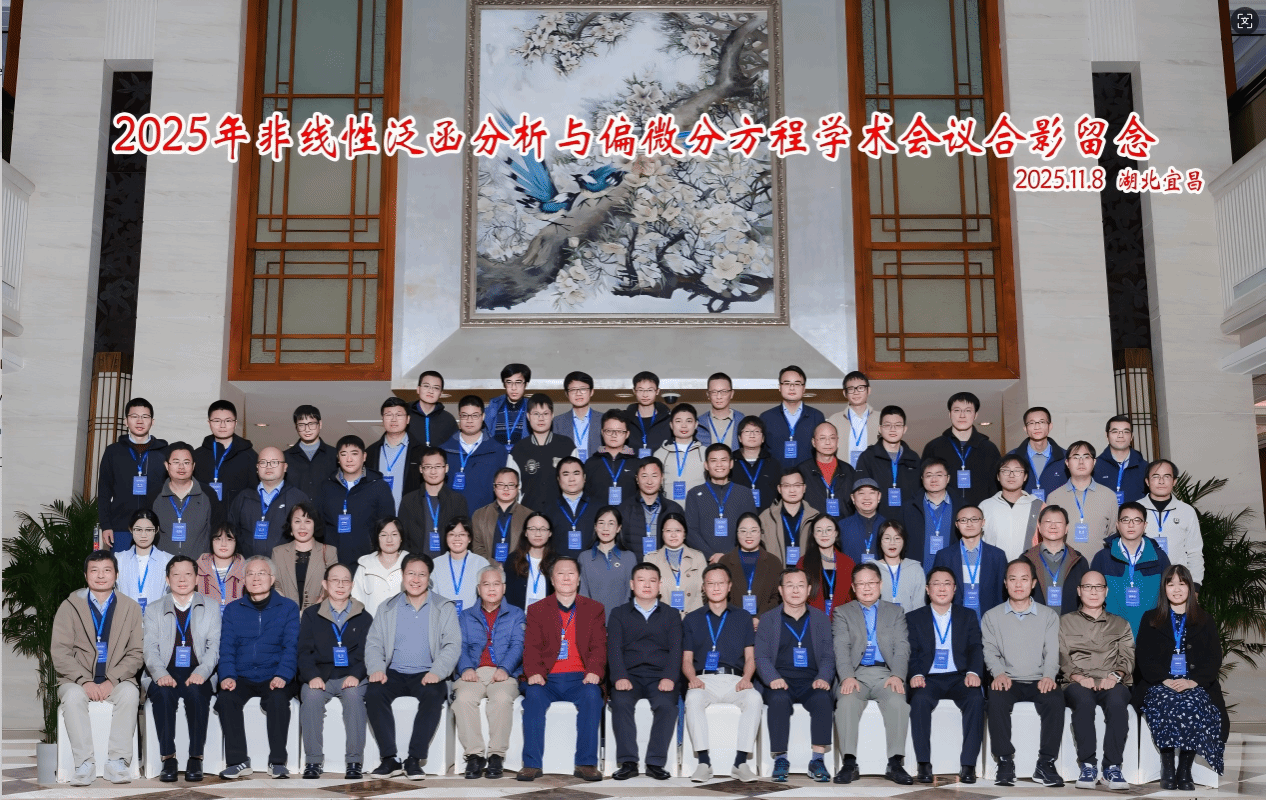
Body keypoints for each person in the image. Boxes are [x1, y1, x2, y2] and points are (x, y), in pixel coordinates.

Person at [364, 553, 462, 780]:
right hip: (394, 672)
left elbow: (452, 644)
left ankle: (414, 760)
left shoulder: (443, 607)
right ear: (402, 575)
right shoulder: (387, 607)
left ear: (429, 578)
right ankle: (389, 759)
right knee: (374, 692)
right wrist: (377, 668)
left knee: (434, 695)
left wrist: (437, 672)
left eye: (422, 574)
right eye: (411, 573)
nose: (416, 579)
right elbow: (374, 643)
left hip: (427, 673)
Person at [52, 551, 145, 785]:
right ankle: (84, 764)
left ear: (116, 575)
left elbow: (136, 653)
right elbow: (60, 652)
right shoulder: (69, 606)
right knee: (73, 697)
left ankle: (117, 762)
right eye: (94, 570)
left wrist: (112, 680)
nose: (101, 576)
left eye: (107, 570)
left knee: (130, 693)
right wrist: (84, 681)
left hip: (117, 680)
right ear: (86, 575)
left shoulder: (131, 608)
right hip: (76, 680)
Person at [516, 557, 607, 782]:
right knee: (533, 696)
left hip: (580, 678)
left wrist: (594, 670)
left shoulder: (594, 609)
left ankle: (586, 763)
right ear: (552, 579)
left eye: (571, 573)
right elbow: (531, 647)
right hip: (548, 678)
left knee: (592, 696)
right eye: (560, 573)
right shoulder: (537, 609)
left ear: (579, 579)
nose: (566, 578)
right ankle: (531, 764)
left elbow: (599, 646)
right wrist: (534, 672)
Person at [1136, 565, 1226, 789]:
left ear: (1190, 587)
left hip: (1194, 682)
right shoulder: (1150, 618)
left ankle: (1184, 769)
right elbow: (1143, 657)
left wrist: (1193, 681)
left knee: (1193, 703)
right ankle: (1167, 766)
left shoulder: (1205, 619)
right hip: (1160, 682)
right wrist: (1164, 679)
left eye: (1182, 584)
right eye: (1171, 584)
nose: (1176, 589)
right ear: (1164, 589)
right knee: (1166, 701)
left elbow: (1214, 658)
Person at [216, 555, 302, 779]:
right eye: (250, 574)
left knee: (278, 699)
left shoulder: (288, 608)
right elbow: (226, 647)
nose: (256, 578)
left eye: (261, 573)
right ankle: (238, 761)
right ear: (244, 580)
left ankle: (277, 762)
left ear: (272, 579)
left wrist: (283, 674)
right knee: (226, 698)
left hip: (274, 674)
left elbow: (291, 646)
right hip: (242, 675)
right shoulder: (233, 610)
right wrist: (227, 675)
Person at [981, 559, 1064, 787]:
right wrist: (998, 673)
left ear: (1034, 583)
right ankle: (1005, 761)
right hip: (1008, 679)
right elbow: (989, 651)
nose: (1018, 584)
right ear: (1005, 583)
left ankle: (1046, 763)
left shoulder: (1048, 616)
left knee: (1056, 700)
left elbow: (1052, 651)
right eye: (1013, 579)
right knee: (995, 699)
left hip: (1039, 679)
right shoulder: (991, 616)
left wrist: (1049, 676)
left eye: (1024, 579)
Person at [832, 562, 913, 785]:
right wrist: (847, 676)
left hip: (885, 673)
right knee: (846, 702)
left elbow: (902, 646)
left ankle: (895, 763)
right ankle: (849, 763)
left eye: (871, 583)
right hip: (855, 674)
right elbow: (840, 647)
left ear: (880, 584)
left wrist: (897, 675)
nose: (867, 588)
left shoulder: (895, 612)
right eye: (861, 584)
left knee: (898, 702)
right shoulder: (842, 612)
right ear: (853, 587)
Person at [144, 555, 221, 782]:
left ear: (197, 578)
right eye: (176, 575)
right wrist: (160, 674)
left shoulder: (211, 607)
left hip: (198, 668)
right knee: (163, 694)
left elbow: (214, 647)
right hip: (165, 668)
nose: (182, 579)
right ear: (167, 579)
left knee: (197, 693)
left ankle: (195, 757)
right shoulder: (153, 609)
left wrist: (202, 672)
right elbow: (149, 648)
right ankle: (168, 758)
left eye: (188, 574)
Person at [682, 564, 761, 782]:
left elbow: (750, 657)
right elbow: (686, 659)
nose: (716, 588)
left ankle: (740, 763)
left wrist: (747, 678)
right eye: (711, 583)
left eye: (721, 583)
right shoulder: (692, 619)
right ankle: (704, 763)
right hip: (704, 679)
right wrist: (692, 678)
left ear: (729, 586)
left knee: (754, 698)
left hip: (735, 679)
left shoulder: (743, 617)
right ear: (703, 587)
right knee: (693, 698)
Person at [906, 566, 985, 785]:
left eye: (947, 583)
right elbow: (910, 651)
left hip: (959, 676)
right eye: (936, 584)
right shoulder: (914, 617)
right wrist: (915, 673)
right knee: (919, 700)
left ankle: (968, 765)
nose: (942, 588)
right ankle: (923, 763)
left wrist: (973, 672)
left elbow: (975, 647)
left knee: (976, 699)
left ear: (955, 588)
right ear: (927, 589)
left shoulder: (967, 616)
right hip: (928, 677)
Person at [755, 568, 835, 782]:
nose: (795, 590)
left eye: (800, 585)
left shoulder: (821, 619)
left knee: (823, 699)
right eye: (790, 585)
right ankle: (781, 759)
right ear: (781, 590)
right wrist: (772, 678)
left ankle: (817, 760)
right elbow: (761, 656)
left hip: (812, 680)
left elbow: (828, 655)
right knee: (778, 700)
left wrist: (823, 677)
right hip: (780, 680)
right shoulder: (768, 619)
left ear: (809, 590)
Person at [1058, 569, 1135, 790]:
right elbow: (1060, 655)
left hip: (1111, 681)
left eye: (1098, 587)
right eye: (1088, 587)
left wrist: (1115, 676)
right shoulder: (1064, 622)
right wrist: (1078, 676)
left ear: (1106, 591)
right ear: (1079, 591)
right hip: (1076, 681)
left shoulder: (1121, 624)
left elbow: (1128, 657)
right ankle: (1088, 766)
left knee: (1118, 703)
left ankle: (1113, 768)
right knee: (1083, 703)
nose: (1093, 592)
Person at [297, 563, 373, 780]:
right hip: (320, 675)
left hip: (352, 675)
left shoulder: (364, 616)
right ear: (325, 584)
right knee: (311, 697)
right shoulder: (311, 615)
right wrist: (312, 676)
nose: (340, 585)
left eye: (345, 581)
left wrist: (356, 675)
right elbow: (303, 651)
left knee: (354, 697)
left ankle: (354, 761)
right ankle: (313, 761)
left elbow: (368, 652)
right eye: (335, 580)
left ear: (352, 585)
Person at [607, 562, 682, 780]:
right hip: (629, 675)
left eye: (652, 581)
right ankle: (628, 762)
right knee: (620, 702)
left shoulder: (671, 614)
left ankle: (655, 763)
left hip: (660, 676)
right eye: (641, 580)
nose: (646, 585)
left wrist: (669, 677)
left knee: (667, 705)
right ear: (632, 584)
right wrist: (620, 676)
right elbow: (614, 648)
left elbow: (676, 649)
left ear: (660, 585)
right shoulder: (619, 613)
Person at [454, 565, 525, 780]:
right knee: (463, 699)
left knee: (501, 699)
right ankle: (474, 756)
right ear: (478, 589)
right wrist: (466, 667)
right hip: (473, 673)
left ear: (504, 587)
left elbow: (518, 645)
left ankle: (496, 755)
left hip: (504, 673)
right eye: (486, 584)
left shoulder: (516, 614)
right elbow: (459, 645)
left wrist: (505, 668)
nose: (491, 589)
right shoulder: (465, 616)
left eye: (496, 584)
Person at [97, 397, 168, 551]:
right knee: (121, 566)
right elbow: (104, 492)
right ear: (126, 421)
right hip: (121, 527)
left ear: (152, 421)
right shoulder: (113, 452)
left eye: (145, 417)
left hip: (156, 528)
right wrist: (106, 525)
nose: (140, 421)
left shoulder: (164, 452)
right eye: (134, 416)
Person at [1090, 502, 1172, 635]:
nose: (1131, 525)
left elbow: (1168, 598)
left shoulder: (1159, 557)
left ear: (1145, 525)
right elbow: (1091, 597)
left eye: (1137, 520)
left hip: (1152, 633)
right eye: (1125, 520)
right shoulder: (1102, 557)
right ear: (1117, 525)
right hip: (1111, 634)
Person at [316, 435, 396, 566]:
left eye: (354, 453)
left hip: (368, 561)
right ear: (338, 458)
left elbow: (387, 526)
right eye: (343, 454)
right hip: (332, 561)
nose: (349, 459)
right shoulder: (326, 487)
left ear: (364, 456)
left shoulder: (379, 487)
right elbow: (319, 525)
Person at [920, 392, 1002, 508]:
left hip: (980, 513)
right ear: (949, 414)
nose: (962, 415)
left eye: (968, 411)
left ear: (975, 415)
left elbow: (996, 486)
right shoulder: (934, 447)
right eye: (957, 410)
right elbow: (923, 483)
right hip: (943, 512)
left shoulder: (989, 448)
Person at [229, 446, 308, 558]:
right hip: (248, 565)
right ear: (257, 467)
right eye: (263, 462)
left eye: (274, 462)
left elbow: (306, 537)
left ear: (285, 467)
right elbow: (232, 533)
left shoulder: (298, 498)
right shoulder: (243, 498)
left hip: (285, 565)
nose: (268, 466)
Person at [1046, 441, 1119, 561]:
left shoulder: (1109, 496)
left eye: (1086, 457)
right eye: (1075, 457)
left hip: (1099, 566)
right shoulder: (1053, 497)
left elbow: (1113, 535)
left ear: (1094, 462)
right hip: (1064, 566)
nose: (1081, 462)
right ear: (1067, 463)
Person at [684, 444, 757, 562]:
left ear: (731, 464)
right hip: (703, 560)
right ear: (706, 465)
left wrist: (729, 556)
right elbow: (691, 530)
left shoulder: (744, 493)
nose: (719, 464)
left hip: (738, 560)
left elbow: (752, 529)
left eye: (724, 460)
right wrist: (710, 555)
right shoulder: (694, 494)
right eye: (714, 460)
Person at [932, 505, 1008, 619]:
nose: (969, 524)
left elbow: (1002, 592)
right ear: (957, 524)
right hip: (954, 617)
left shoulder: (997, 555)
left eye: (974, 519)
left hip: (989, 617)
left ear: (983, 522)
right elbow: (937, 590)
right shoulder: (944, 555)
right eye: (963, 520)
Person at [399, 447, 470, 558]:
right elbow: (402, 537)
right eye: (428, 467)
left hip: (447, 563)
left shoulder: (458, 500)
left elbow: (463, 537)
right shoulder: (408, 500)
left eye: (438, 466)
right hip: (416, 562)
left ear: (446, 468)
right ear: (421, 469)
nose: (433, 472)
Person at [1140, 459, 1204, 583]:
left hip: (1178, 582)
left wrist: (1195, 583)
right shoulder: (1135, 509)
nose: (1161, 481)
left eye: (1167, 476)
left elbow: (1195, 552)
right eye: (1155, 476)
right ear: (1147, 481)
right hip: (1143, 580)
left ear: (1174, 481)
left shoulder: (1187, 511)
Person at [154, 442, 220, 559]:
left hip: (199, 565)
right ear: (166, 465)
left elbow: (216, 531)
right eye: (176, 462)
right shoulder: (154, 495)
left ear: (193, 466)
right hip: (163, 564)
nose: (181, 467)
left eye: (186, 462)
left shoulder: (208, 494)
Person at [510, 394, 576, 509]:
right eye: (536, 414)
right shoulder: (518, 450)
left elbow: (576, 483)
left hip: (561, 513)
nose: (541, 418)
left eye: (545, 414)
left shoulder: (567, 446)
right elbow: (512, 488)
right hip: (528, 513)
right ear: (528, 416)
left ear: (552, 415)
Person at [856, 406, 921, 521]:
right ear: (880, 429)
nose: (892, 429)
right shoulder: (868, 457)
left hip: (908, 521)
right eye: (887, 425)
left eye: (898, 425)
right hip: (877, 522)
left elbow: (919, 494)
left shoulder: (913, 458)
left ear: (904, 429)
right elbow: (861, 495)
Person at [442, 395, 506, 513]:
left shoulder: (498, 451)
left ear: (483, 417)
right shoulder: (444, 450)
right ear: (459, 416)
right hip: (451, 519)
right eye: (465, 415)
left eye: (475, 415)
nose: (469, 420)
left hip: (485, 519)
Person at [273, 501, 340, 613]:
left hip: (320, 613)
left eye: (308, 521)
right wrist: (291, 611)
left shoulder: (329, 551)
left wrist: (311, 612)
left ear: (315, 525)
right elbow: (276, 585)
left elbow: (332, 586)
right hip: (286, 613)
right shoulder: (278, 552)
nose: (302, 527)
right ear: (290, 525)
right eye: (297, 521)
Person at [1023, 505, 1090, 614]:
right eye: (1048, 522)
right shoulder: (1025, 560)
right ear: (1039, 526)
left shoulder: (1079, 561)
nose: (1053, 526)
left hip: (1070, 623)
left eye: (1058, 522)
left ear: (1066, 528)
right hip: (1035, 622)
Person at [759, 365, 826, 472]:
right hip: (775, 478)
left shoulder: (816, 416)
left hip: (809, 477)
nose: (792, 388)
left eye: (797, 384)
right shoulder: (766, 417)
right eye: (787, 383)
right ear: (779, 387)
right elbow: (761, 453)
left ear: (804, 388)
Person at [899, 457, 959, 572]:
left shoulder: (960, 507)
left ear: (948, 478)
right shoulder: (908, 508)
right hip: (916, 573)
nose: (934, 479)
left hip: (951, 573)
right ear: (922, 479)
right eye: (929, 475)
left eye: (939, 475)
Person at [193, 400, 257, 507]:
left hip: (237, 517)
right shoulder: (197, 456)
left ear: (235, 423)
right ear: (209, 423)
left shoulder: (250, 456)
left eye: (228, 420)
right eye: (217, 421)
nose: (222, 425)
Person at [720, 512, 783, 618]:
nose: (748, 535)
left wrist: (760, 617)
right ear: (737, 533)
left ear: (760, 532)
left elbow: (777, 597)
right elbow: (721, 597)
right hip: (733, 620)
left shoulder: (774, 562)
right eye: (743, 531)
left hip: (766, 621)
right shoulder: (724, 561)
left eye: (753, 530)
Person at [980, 455, 1043, 560]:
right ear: (998, 476)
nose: (1011, 475)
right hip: (994, 565)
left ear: (1025, 477)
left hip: (1028, 566)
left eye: (1017, 471)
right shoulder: (985, 506)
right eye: (1005, 471)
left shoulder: (1038, 506)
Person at [365, 397, 423, 511]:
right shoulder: (370, 452)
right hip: (378, 517)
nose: (393, 419)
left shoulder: (421, 452)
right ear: (383, 419)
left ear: (408, 419)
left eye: (399, 415)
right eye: (388, 415)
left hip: (410, 515)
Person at [618, 457, 684, 556]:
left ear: (662, 478)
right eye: (644, 476)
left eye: (654, 476)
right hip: (634, 564)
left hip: (665, 563)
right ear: (637, 479)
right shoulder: (624, 508)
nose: (649, 481)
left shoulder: (674, 509)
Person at [578, 506, 634, 620]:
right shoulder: (584, 557)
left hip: (622, 621)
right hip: (592, 622)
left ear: (618, 528)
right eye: (601, 523)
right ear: (595, 527)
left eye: (611, 523)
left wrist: (621, 620)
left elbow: (630, 594)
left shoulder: (629, 557)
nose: (605, 528)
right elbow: (583, 595)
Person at [644, 512, 706, 615]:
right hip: (662, 617)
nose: (673, 535)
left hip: (693, 616)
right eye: (668, 530)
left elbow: (703, 593)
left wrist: (693, 617)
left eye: (678, 530)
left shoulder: (698, 557)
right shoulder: (651, 559)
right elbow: (648, 594)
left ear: (684, 533)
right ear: (662, 533)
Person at [116, 508, 173, 613]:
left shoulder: (168, 560)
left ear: (156, 530)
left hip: (157, 619)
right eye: (138, 530)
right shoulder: (118, 559)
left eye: (149, 530)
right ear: (130, 529)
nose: (143, 535)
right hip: (125, 618)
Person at [759, 468, 820, 565]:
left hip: (806, 573)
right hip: (776, 572)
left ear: (804, 488)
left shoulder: (816, 517)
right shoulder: (766, 517)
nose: (792, 490)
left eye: (797, 485)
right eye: (786, 486)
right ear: (779, 489)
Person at [800, 514, 856, 617]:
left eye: (829, 530)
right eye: (819, 530)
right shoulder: (803, 562)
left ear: (836, 533)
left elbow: (851, 598)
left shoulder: (848, 563)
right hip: (812, 620)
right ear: (813, 534)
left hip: (842, 620)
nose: (824, 534)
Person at [1006, 407, 1068, 500]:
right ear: (1025, 428)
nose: (1037, 427)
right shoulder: (1012, 458)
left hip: (1057, 508)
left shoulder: (1066, 457)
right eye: (1031, 423)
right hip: (1022, 508)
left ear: (1050, 426)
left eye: (1042, 422)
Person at [432, 517, 491, 613]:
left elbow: (487, 596)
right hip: (443, 617)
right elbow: (433, 597)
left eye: (462, 534)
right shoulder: (435, 564)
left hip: (473, 618)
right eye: (452, 534)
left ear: (469, 538)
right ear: (446, 538)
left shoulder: (481, 563)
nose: (457, 538)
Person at [351, 518, 408, 616]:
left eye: (394, 534)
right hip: (372, 622)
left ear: (401, 537)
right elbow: (356, 599)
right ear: (377, 538)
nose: (389, 539)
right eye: (384, 535)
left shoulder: (411, 563)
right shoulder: (365, 564)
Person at [470, 468, 529, 563]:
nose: (506, 489)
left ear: (518, 487)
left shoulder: (529, 516)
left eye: (511, 485)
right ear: (494, 487)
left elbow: (530, 548)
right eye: (501, 485)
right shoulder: (479, 515)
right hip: (486, 568)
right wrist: (493, 565)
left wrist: (512, 567)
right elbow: (477, 547)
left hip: (518, 568)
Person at [799, 422, 855, 521]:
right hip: (813, 526)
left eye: (832, 438)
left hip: (843, 526)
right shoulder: (802, 471)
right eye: (822, 438)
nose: (828, 442)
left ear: (837, 441)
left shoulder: (848, 470)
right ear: (813, 442)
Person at [283, 405, 339, 500]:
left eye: (311, 424)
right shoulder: (285, 457)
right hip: (294, 509)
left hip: (327, 509)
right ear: (296, 427)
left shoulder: (335, 455)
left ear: (320, 424)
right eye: (301, 425)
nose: (307, 429)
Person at [548, 456, 598, 560]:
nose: (571, 479)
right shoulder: (548, 509)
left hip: (592, 565)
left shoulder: (599, 507)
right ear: (558, 479)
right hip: (559, 566)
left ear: (584, 477)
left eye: (576, 473)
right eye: (565, 474)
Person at [826, 370, 880, 467]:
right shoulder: (834, 420)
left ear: (869, 390)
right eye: (851, 389)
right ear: (844, 393)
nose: (856, 392)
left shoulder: (881, 418)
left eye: (860, 388)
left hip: (873, 473)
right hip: (843, 473)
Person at [584, 410, 637, 504]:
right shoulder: (590, 463)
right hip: (598, 513)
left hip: (629, 513)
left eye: (619, 431)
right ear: (602, 432)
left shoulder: (637, 464)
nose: (613, 435)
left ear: (627, 434)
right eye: (609, 431)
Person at [1093, 415, 1149, 504]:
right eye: (1115, 432)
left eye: (1126, 432)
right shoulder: (1095, 466)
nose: (1120, 436)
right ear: (1107, 436)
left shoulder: (1145, 467)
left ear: (1131, 436)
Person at [655, 403, 707, 497]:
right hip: (669, 505)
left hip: (699, 505)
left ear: (696, 424)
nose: (684, 425)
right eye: (678, 421)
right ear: (671, 425)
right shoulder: (660, 454)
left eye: (689, 421)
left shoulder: (705, 453)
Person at [505, 512, 554, 608]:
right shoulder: (513, 559)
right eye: (532, 529)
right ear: (525, 532)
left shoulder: (556, 562)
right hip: (519, 616)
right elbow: (508, 595)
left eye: (543, 529)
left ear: (550, 533)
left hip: (548, 616)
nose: (538, 534)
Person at [732, 416, 780, 511]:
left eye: (757, 431)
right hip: (737, 514)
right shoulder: (730, 462)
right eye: (747, 431)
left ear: (763, 438)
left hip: (767, 516)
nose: (752, 435)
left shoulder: (773, 463)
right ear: (739, 438)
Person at [876, 520, 926, 609]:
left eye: (897, 538)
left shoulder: (915, 568)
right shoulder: (871, 568)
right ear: (880, 542)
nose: (892, 542)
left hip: (908, 617)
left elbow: (919, 605)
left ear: (903, 541)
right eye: (887, 538)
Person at [197, 525, 247, 608]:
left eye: (229, 539)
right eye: (218, 539)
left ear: (236, 542)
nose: (223, 544)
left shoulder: (247, 570)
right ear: (211, 541)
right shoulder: (196, 569)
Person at [554, 370, 602, 459]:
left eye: (583, 389)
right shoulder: (557, 422)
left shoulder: (603, 420)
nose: (578, 394)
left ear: (591, 392)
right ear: (567, 394)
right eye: (573, 390)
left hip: (597, 467)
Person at [485, 363, 532, 451]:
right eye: (509, 382)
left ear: (526, 384)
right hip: (497, 456)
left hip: (523, 456)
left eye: (518, 382)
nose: (513, 388)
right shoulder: (493, 407)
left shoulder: (532, 407)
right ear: (504, 384)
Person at [839, 478, 887, 564]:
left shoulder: (888, 526)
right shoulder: (842, 526)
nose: (867, 498)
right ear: (853, 498)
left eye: (872, 493)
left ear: (879, 496)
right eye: (861, 493)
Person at [626, 370, 672, 455]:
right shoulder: (625, 420)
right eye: (640, 390)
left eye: (650, 390)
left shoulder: (669, 420)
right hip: (631, 463)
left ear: (657, 391)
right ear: (634, 391)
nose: (645, 395)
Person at [407, 370, 458, 448]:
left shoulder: (449, 420)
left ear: (440, 393)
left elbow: (455, 448)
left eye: (436, 388)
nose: (430, 391)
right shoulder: (404, 414)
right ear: (418, 389)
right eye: (426, 386)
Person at [697, 372, 745, 448]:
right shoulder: (698, 423)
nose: (719, 397)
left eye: (724, 392)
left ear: (732, 394)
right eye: (714, 392)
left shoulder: (743, 421)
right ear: (708, 395)